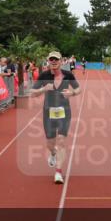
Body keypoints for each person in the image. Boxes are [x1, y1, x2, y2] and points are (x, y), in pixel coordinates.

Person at [29, 50, 80, 184]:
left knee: (61, 141)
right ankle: (52, 153)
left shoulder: (68, 75)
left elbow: (78, 88)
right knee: (50, 143)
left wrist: (72, 93)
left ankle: (58, 172)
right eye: (51, 59)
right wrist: (43, 89)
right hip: (48, 113)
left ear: (61, 61)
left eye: (56, 59)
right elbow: (32, 93)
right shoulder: (44, 75)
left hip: (65, 112)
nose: (54, 62)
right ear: (48, 61)